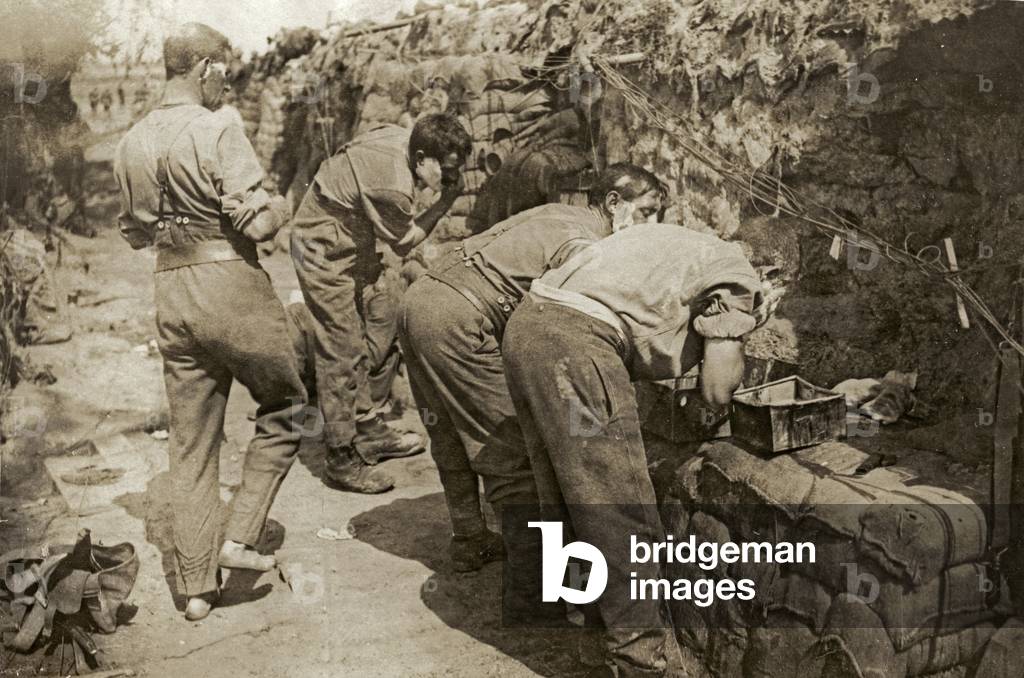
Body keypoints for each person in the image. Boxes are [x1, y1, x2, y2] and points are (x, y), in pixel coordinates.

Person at [502, 223, 777, 677]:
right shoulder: (736, 272)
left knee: (572, 501)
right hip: (576, 343)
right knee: (622, 510)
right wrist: (742, 335)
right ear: (771, 272)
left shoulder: (684, 244)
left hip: (528, 328)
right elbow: (716, 389)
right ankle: (641, 661)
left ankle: (595, 640)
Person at [113, 23, 307, 622]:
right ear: (204, 68)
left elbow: (134, 233)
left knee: (191, 442)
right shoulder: (218, 127)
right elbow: (257, 225)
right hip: (230, 285)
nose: (228, 81)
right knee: (288, 405)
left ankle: (197, 589)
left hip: (171, 289)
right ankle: (240, 536)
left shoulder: (131, 140)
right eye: (224, 69)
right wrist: (283, 203)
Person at [397, 163, 664, 577]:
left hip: (421, 301)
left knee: (448, 431)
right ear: (614, 202)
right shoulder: (584, 245)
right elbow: (562, 327)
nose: (652, 225)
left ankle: (469, 537)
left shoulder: (560, 212)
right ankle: (534, 578)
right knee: (509, 447)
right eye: (646, 212)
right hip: (457, 318)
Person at [289, 113, 471, 494]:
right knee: (341, 346)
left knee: (360, 328)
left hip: (345, 232)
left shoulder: (400, 135)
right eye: (447, 169)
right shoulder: (395, 187)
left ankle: (367, 427)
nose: (452, 176)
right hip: (320, 246)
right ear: (421, 158)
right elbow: (405, 243)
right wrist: (446, 201)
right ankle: (341, 457)